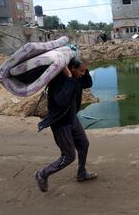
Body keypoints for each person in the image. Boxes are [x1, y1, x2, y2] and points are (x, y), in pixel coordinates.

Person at [35, 58, 97, 192]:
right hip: (60, 122)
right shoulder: (58, 80)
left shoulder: (78, 77)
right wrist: (69, 77)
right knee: (69, 156)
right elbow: (61, 101)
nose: (82, 74)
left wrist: (85, 71)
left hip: (72, 119)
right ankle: (42, 174)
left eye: (84, 71)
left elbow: (88, 83)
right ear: (72, 69)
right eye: (80, 71)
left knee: (83, 145)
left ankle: (81, 173)